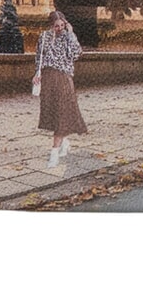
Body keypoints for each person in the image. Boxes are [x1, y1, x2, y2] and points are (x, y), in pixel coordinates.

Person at [33, 9, 87, 170]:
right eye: (57, 26)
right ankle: (64, 142)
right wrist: (37, 73)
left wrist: (71, 33)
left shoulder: (67, 36)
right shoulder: (44, 37)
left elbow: (76, 54)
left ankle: (54, 153)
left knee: (62, 112)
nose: (59, 28)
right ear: (51, 25)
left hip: (63, 78)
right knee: (52, 113)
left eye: (62, 25)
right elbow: (39, 57)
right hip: (48, 78)